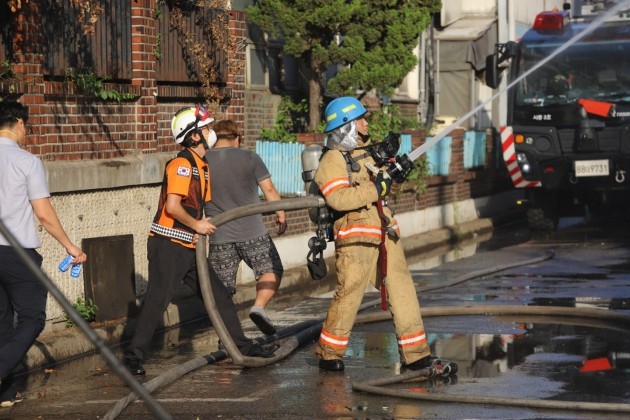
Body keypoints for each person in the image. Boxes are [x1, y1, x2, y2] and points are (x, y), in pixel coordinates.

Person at [313, 96, 445, 373]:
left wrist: (394, 178)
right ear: (345, 126)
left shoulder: (367, 155)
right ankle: (329, 353)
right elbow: (338, 198)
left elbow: (382, 192)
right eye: (359, 119)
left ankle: (416, 354)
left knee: (403, 290)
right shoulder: (333, 160)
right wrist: (378, 187)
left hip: (384, 233)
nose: (365, 123)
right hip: (356, 237)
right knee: (349, 295)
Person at [0, 101, 87, 406]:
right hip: (17, 253)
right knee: (33, 319)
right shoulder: (26, 161)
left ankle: (6, 392)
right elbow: (44, 214)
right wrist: (69, 245)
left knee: (1, 323)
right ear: (20, 124)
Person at [204, 119, 287, 336]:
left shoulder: (202, 161)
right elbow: (268, 189)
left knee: (222, 289)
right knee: (271, 269)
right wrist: (281, 214)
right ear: (237, 138)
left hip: (218, 234)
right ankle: (258, 308)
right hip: (252, 232)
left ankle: (226, 338)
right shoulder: (250, 157)